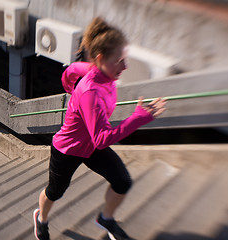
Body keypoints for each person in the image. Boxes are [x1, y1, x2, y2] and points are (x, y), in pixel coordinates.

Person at [33, 17, 166, 240]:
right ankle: (41, 219)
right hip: (69, 148)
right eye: (120, 60)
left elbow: (71, 71)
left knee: (122, 181)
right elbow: (102, 139)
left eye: (125, 59)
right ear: (101, 59)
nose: (125, 66)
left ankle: (106, 218)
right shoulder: (91, 92)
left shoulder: (101, 71)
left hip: (91, 143)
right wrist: (137, 118)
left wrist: (69, 87)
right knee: (55, 191)